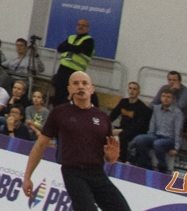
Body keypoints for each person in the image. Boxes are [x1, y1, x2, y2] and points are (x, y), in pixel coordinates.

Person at [23, 72, 131, 211]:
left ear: (92, 89)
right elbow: (40, 146)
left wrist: (111, 158)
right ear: (69, 89)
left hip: (97, 173)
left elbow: (108, 156)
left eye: (84, 83)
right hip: (73, 172)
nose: (81, 86)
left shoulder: (103, 118)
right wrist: (27, 177)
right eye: (76, 83)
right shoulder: (59, 113)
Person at [129, 88, 183, 171]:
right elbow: (152, 126)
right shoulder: (156, 108)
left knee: (158, 143)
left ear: (173, 100)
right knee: (139, 139)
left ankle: (162, 166)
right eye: (163, 96)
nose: (165, 99)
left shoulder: (177, 112)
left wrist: (176, 148)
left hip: (169, 139)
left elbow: (178, 131)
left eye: (168, 97)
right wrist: (149, 137)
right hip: (156, 136)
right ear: (160, 98)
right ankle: (146, 162)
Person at [52, 19, 96, 105]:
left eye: (83, 25)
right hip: (62, 70)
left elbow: (79, 49)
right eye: (78, 25)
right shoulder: (71, 37)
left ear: (87, 28)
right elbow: (60, 48)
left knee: (70, 97)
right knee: (58, 96)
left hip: (75, 73)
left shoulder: (89, 41)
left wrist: (68, 46)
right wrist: (72, 47)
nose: (80, 27)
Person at [109, 82, 152, 150]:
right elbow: (113, 115)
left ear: (138, 92)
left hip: (134, 131)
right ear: (128, 90)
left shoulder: (141, 107)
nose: (132, 91)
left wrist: (121, 131)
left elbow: (138, 126)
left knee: (122, 136)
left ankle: (122, 159)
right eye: (130, 88)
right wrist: (105, 124)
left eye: (134, 89)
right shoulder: (123, 102)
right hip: (122, 128)